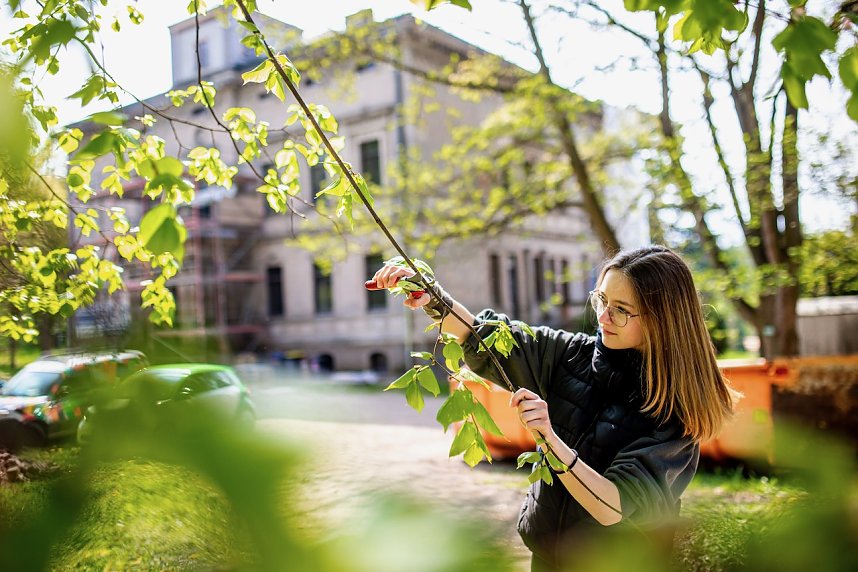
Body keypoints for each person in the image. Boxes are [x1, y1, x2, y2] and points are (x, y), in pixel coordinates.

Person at [371, 245, 739, 571]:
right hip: (548, 555)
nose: (604, 317)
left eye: (622, 310)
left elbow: (613, 507)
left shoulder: (674, 410)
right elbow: (480, 335)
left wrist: (549, 439)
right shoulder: (569, 355)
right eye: (601, 300)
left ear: (662, 319)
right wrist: (429, 294)